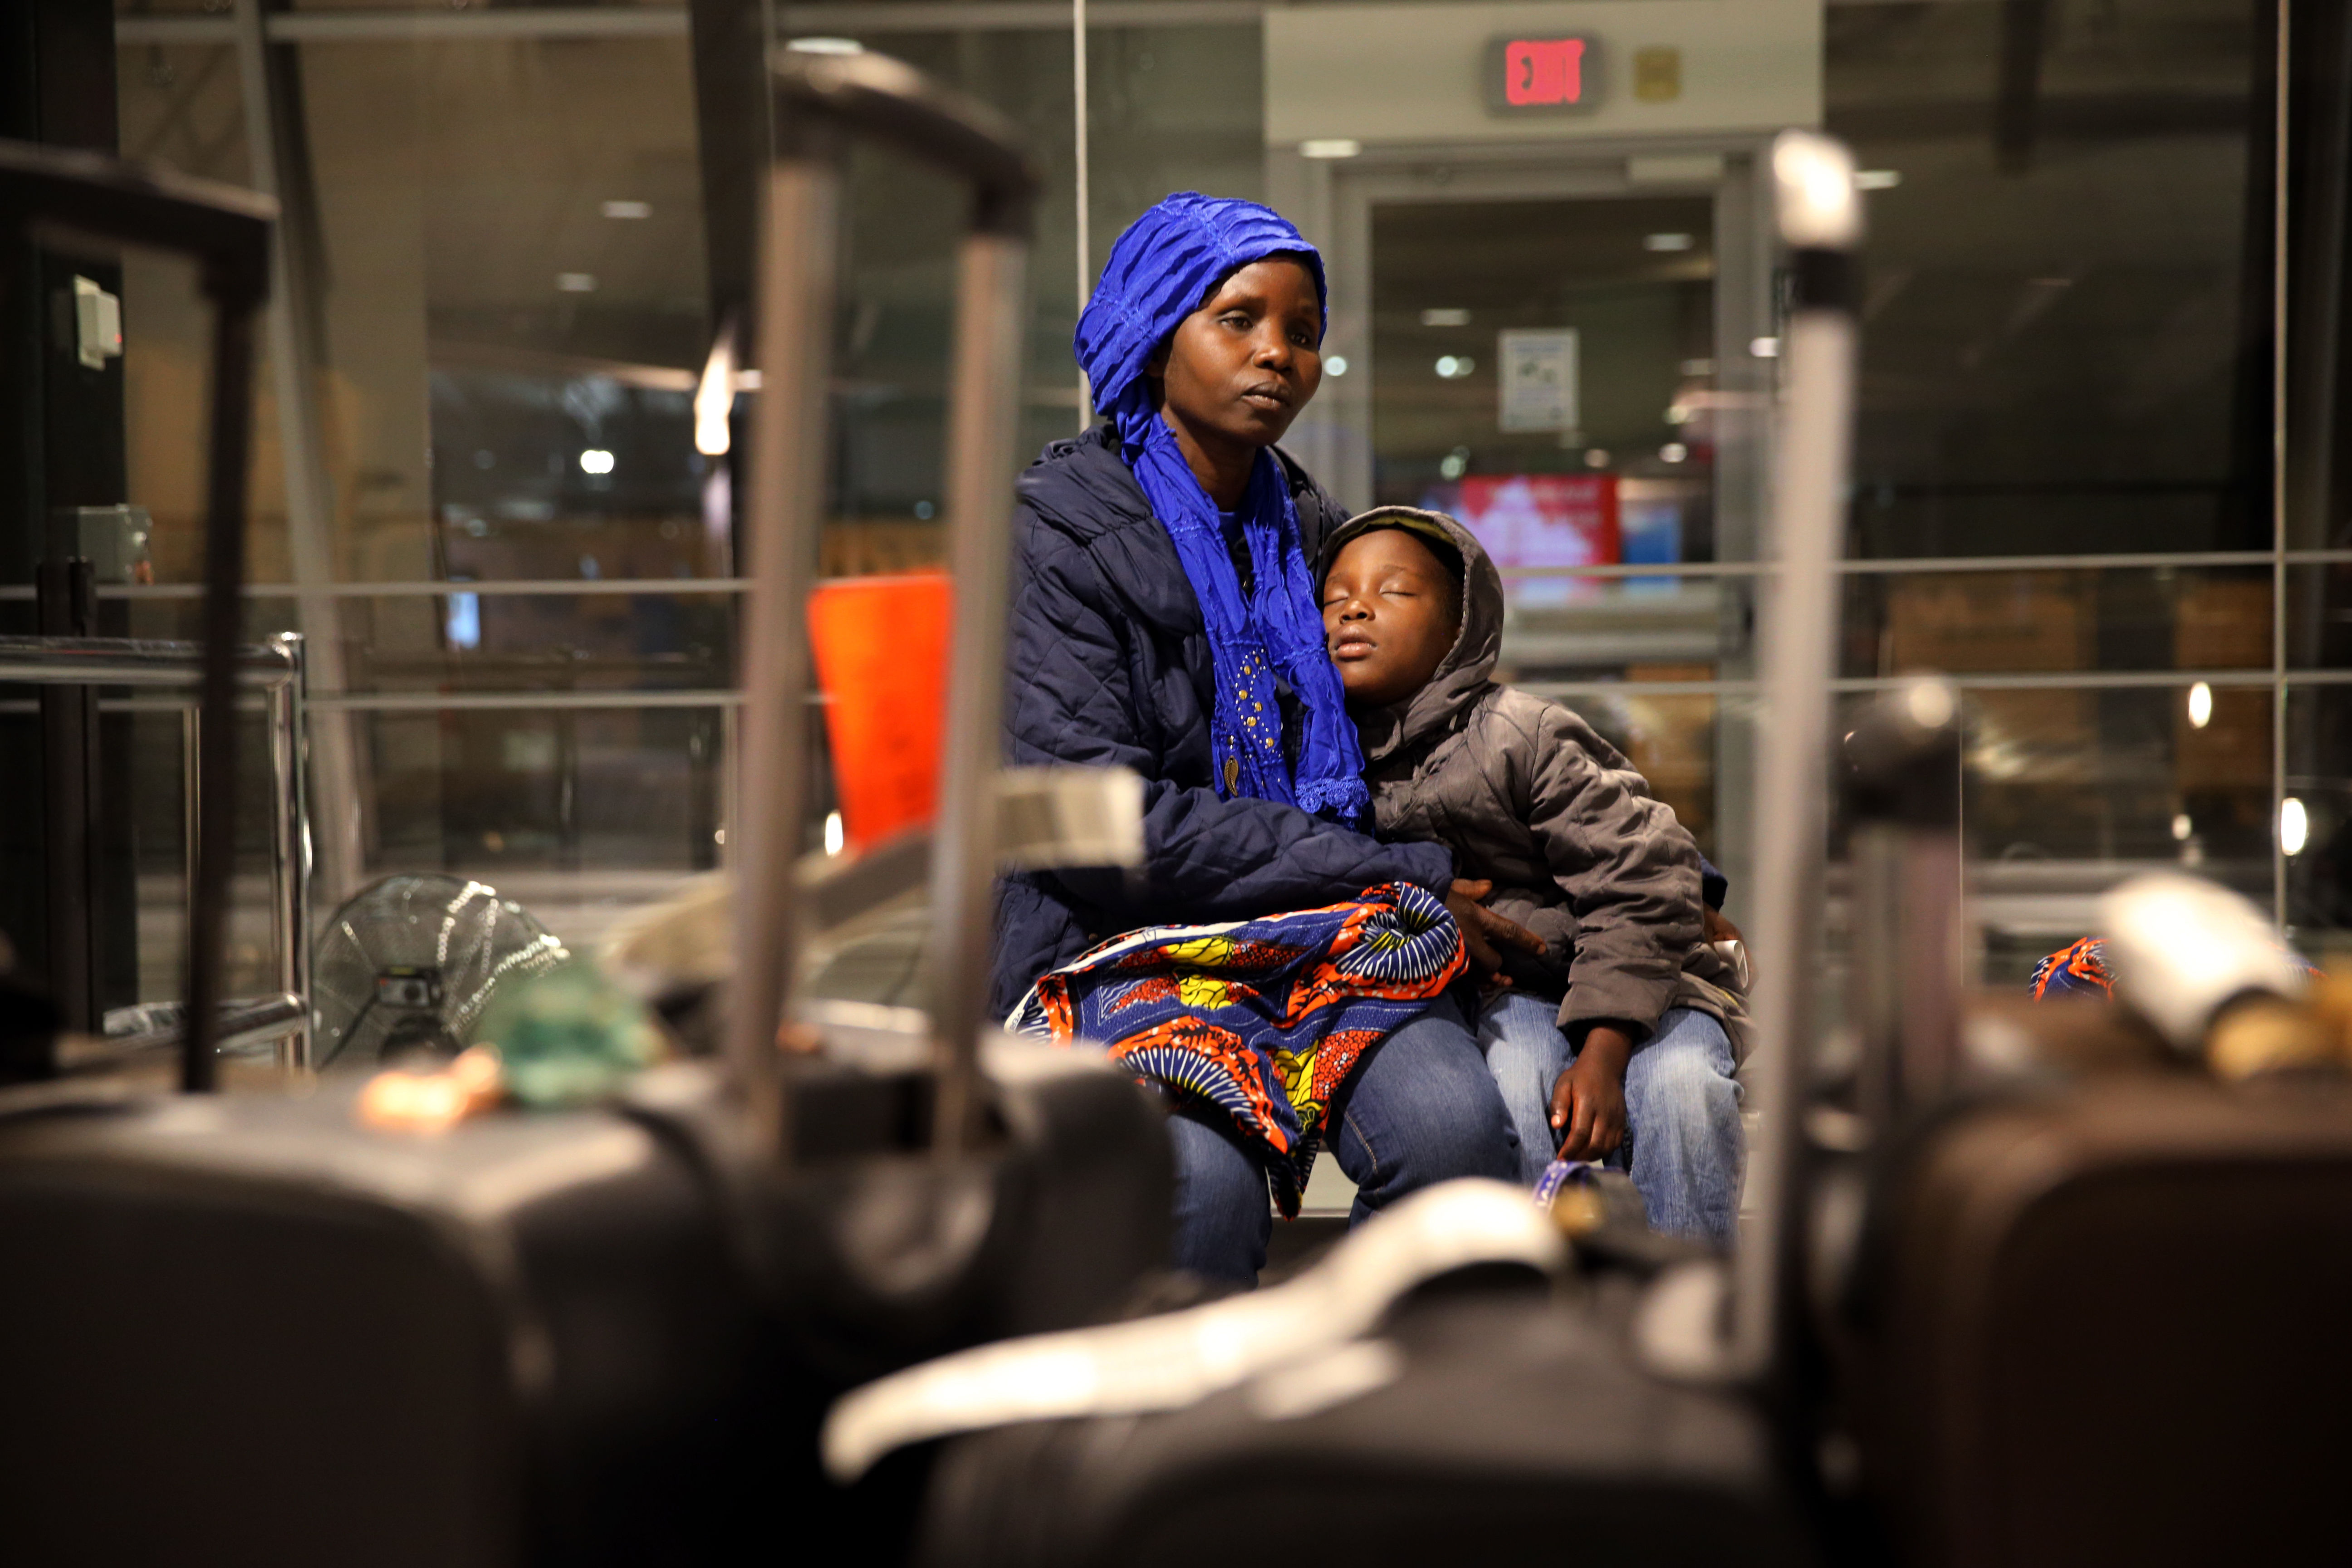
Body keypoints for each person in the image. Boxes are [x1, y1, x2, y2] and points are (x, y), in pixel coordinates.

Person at [994, 194, 1535, 1283]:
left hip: (1317, 941)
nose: (1278, 354)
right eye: (1239, 320)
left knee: (1457, 1141)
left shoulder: (1315, 530)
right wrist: (1393, 873)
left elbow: (1455, 734)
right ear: (1154, 334)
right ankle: (1182, 1444)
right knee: (1200, 1183)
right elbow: (1105, 829)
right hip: (1120, 946)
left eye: (1303, 330)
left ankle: (1359, 1420)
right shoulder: (1054, 536)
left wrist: (1650, 875)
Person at [1317, 506, 1749, 1245]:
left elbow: (1644, 878)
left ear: (1460, 628)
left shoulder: (1524, 732)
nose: (1355, 606)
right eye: (1334, 597)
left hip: (1652, 982)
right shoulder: (1327, 763)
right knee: (1513, 1098)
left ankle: (1687, 1314)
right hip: (1514, 993)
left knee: (1682, 1093)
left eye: (1394, 591)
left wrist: (1606, 1051)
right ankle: (1544, 1324)